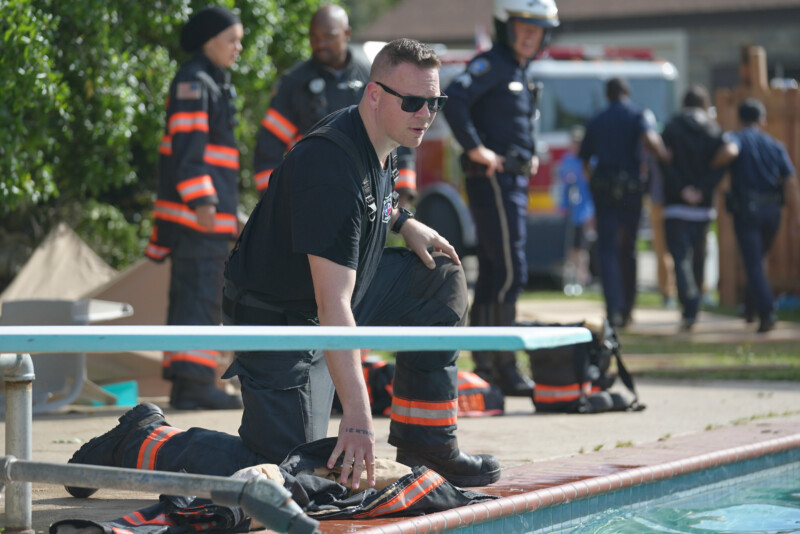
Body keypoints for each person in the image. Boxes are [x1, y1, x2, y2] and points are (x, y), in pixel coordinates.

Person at [66, 39, 501, 496]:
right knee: (284, 470)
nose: (426, 114)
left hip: (327, 298)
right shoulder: (330, 166)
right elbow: (333, 304)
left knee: (440, 278)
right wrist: (358, 417)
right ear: (374, 95)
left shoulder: (381, 134)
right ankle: (141, 439)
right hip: (278, 319)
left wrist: (405, 222)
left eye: (435, 102)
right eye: (413, 102)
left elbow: (367, 202)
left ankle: (426, 446)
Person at [442, 0, 560, 396]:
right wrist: (476, 148)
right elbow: (454, 99)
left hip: (512, 181)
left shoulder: (518, 69)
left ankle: (489, 365)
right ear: (505, 27)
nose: (530, 35)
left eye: (537, 29)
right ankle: (502, 365)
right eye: (523, 27)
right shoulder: (491, 64)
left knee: (497, 273)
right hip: (494, 179)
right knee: (510, 271)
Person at [143, 6, 244, 410]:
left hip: (207, 215)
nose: (238, 47)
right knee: (199, 299)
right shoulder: (195, 81)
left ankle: (188, 384)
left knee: (195, 298)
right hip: (197, 216)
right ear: (209, 41)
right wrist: (203, 201)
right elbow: (188, 149)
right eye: (232, 40)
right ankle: (195, 384)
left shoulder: (210, 81)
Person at [253, 4, 417, 207]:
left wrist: (403, 191)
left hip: (366, 198)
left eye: (328, 37)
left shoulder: (373, 79)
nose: (320, 44)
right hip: (309, 197)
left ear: (346, 33)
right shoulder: (294, 84)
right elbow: (268, 146)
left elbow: (396, 133)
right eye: (314, 38)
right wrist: (273, 198)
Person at [579, 77, 670, 328]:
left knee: (607, 249)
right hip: (631, 190)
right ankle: (628, 308)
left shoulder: (597, 119)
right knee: (628, 248)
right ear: (627, 92)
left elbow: (584, 160)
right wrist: (664, 157)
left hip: (605, 191)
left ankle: (614, 308)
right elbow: (651, 140)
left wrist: (594, 183)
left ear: (607, 95)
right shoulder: (637, 114)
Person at [661, 85, 738, 330]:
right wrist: (703, 189)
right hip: (703, 208)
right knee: (699, 257)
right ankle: (695, 303)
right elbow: (721, 164)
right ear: (705, 104)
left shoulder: (671, 128)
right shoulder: (714, 130)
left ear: (684, 103)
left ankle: (689, 304)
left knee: (680, 258)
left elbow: (664, 162)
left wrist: (682, 189)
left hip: (676, 206)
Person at [726, 98, 800, 333]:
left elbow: (728, 152)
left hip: (747, 211)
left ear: (739, 119)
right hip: (772, 212)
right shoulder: (775, 145)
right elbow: (790, 180)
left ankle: (767, 312)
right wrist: (796, 214)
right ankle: (749, 308)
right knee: (757, 259)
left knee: (753, 262)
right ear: (763, 121)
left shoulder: (736, 138)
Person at [558, 125, 595, 295]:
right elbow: (564, 187)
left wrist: (592, 212)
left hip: (584, 211)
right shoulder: (567, 161)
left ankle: (582, 278)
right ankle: (571, 279)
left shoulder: (588, 161)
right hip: (569, 212)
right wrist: (563, 206)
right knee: (570, 248)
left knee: (582, 248)